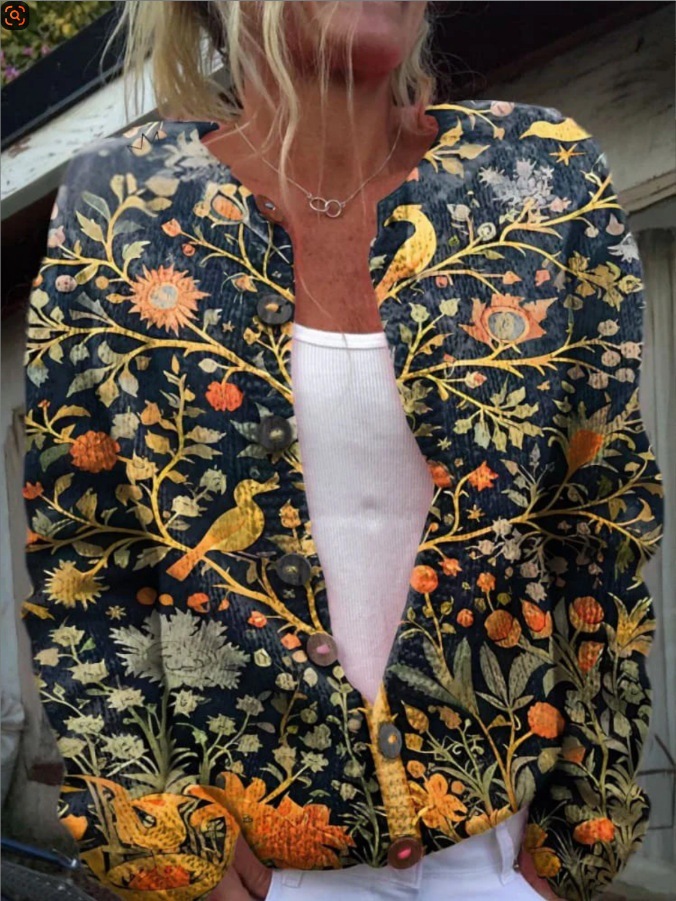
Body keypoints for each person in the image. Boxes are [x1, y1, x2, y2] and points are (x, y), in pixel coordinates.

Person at [20, 3, 663, 901]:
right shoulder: (124, 205)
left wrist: (579, 837)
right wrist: (157, 838)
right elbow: (88, 550)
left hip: (500, 860)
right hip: (256, 869)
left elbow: (599, 522)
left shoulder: (540, 176)